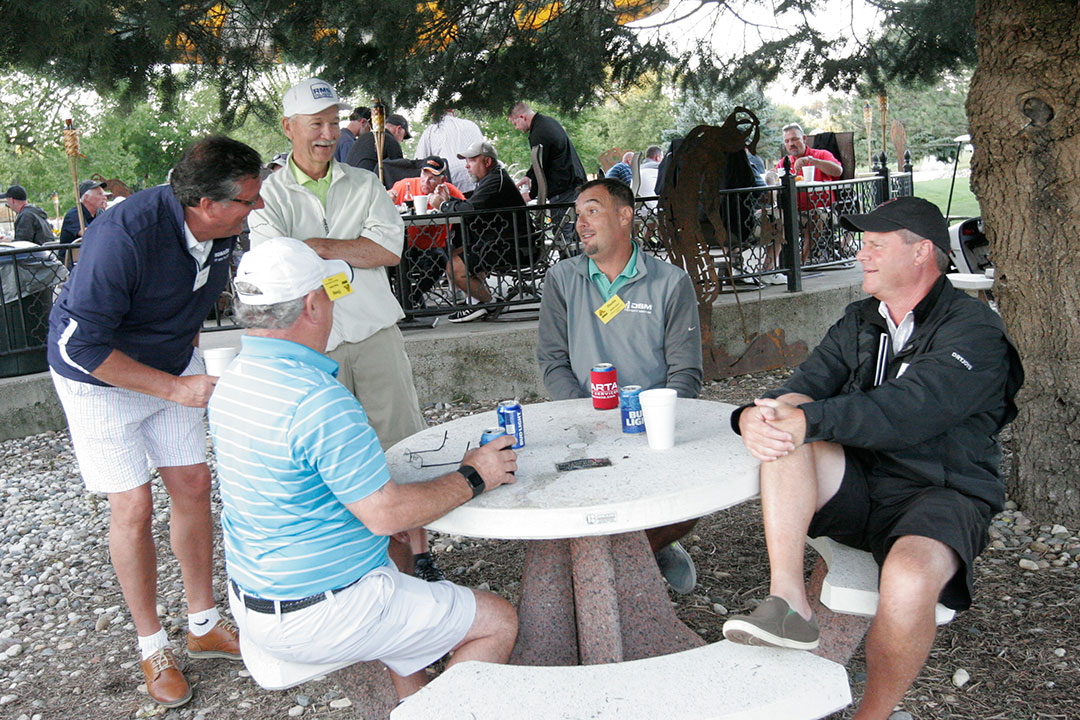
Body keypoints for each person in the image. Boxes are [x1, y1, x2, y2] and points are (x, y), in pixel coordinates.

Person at [722, 197, 1023, 720]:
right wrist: (754, 415)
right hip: (863, 484)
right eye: (863, 245)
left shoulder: (974, 331)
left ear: (922, 252)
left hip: (940, 492)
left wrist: (808, 418)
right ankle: (787, 601)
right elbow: (803, 390)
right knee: (787, 430)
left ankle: (873, 715)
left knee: (908, 581)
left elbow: (909, 413)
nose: (862, 255)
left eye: (876, 245)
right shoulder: (860, 320)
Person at [208, 236, 519, 700]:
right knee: (497, 621)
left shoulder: (232, 380)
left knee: (400, 570)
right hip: (322, 608)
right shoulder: (316, 398)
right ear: (313, 305)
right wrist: (476, 475)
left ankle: (412, 701)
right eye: (331, 294)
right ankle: (435, 713)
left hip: (256, 598)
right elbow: (385, 514)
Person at [45, 135, 264, 708]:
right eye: (247, 199)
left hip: (170, 363)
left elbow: (192, 301)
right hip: (98, 378)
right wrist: (175, 387)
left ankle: (203, 624)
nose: (257, 207)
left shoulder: (222, 231)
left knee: (193, 483)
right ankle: (151, 646)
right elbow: (78, 345)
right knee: (133, 505)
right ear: (206, 204)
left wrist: (187, 365)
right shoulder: (124, 234)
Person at [247, 78, 442, 582]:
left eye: (334, 123)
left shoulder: (364, 183)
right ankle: (356, 562)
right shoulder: (267, 195)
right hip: (312, 345)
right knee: (331, 457)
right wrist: (346, 243)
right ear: (289, 128)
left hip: (374, 331)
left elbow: (387, 251)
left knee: (404, 444)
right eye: (317, 124)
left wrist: (316, 245)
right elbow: (274, 263)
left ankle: (420, 558)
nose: (328, 134)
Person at [536, 178, 705, 594]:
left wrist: (655, 422)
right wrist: (584, 415)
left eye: (592, 210)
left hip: (650, 426)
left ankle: (650, 548)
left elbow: (686, 373)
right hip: (583, 426)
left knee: (693, 498)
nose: (581, 223)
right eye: (577, 215)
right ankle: (628, 559)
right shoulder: (561, 279)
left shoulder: (669, 282)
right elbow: (552, 361)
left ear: (625, 215)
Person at [429, 140, 532, 323]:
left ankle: (489, 303)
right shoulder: (492, 178)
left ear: (487, 162)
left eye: (471, 161)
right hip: (503, 241)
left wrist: (444, 204)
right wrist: (449, 200)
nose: (467, 166)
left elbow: (468, 210)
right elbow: (472, 206)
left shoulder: (495, 181)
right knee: (455, 254)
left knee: (454, 266)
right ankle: (475, 300)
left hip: (514, 246)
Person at [389, 156, 465, 310]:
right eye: (424, 175)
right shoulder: (405, 185)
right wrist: (387, 198)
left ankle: (409, 299)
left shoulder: (447, 190)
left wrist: (447, 203)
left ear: (442, 180)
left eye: (433, 178)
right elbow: (383, 202)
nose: (426, 181)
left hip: (432, 248)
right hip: (402, 246)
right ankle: (406, 301)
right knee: (388, 265)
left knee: (439, 261)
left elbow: (466, 209)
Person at [413, 108, 485, 193]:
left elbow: (419, 162)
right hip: (477, 181)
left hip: (451, 183)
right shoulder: (472, 125)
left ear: (433, 116)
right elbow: (484, 151)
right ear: (453, 113)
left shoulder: (431, 130)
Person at [344, 112, 409, 179]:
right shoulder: (391, 142)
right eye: (404, 136)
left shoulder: (365, 137)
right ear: (398, 129)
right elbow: (398, 174)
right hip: (367, 184)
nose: (402, 140)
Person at [59, 179, 109, 244]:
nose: (105, 197)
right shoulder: (74, 214)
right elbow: (88, 234)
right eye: (100, 194)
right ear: (86, 197)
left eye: (104, 194)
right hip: (74, 253)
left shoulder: (100, 213)